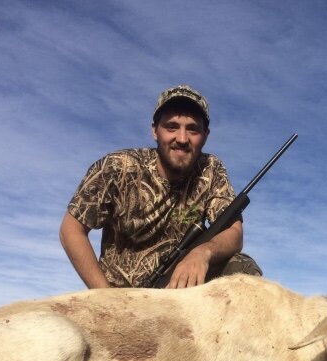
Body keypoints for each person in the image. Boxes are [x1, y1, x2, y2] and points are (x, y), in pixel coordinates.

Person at [60, 84, 261, 289]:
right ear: (155, 131)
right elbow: (71, 229)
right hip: (121, 296)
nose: (182, 139)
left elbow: (234, 232)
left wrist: (203, 252)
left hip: (180, 287)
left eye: (192, 129)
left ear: (206, 135)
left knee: (241, 267)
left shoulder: (211, 170)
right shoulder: (117, 166)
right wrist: (104, 297)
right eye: (171, 127)